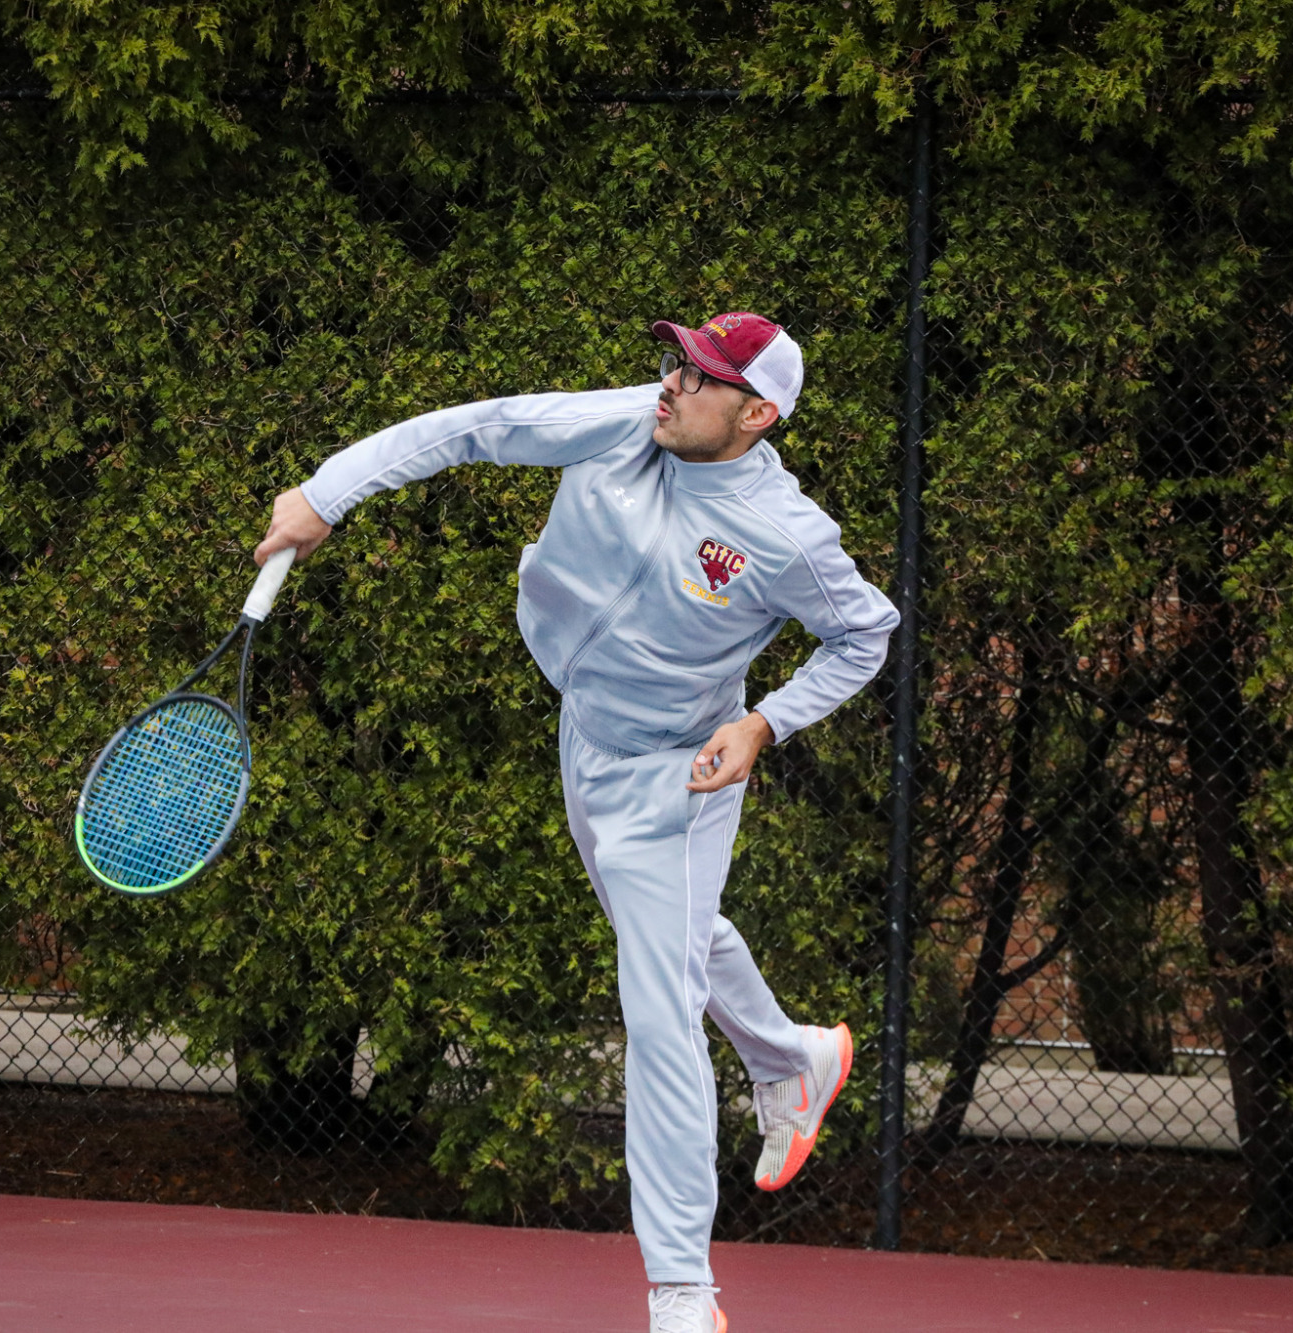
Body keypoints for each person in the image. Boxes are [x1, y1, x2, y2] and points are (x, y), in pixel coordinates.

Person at [255, 312, 898, 1333]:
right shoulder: (627, 420)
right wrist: (325, 494)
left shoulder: (786, 535)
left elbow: (865, 634)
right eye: (676, 361)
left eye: (702, 377)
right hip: (585, 731)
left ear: (757, 415)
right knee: (674, 937)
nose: (672, 383)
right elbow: (478, 426)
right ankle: (790, 1056)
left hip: (678, 776)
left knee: (658, 1006)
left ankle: (682, 1292)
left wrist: (763, 723)